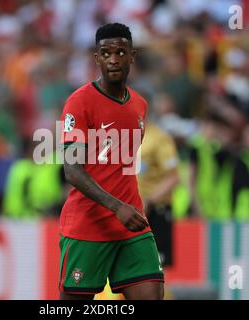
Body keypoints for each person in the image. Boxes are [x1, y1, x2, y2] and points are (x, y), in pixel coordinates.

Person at [58, 23, 163, 300]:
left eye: (120, 52)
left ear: (132, 55)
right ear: (96, 58)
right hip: (88, 225)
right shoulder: (79, 103)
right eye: (106, 53)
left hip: (132, 224)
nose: (113, 59)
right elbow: (72, 170)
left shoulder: (139, 105)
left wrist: (125, 209)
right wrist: (117, 207)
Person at [137, 121, 180, 267]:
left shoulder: (159, 138)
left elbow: (173, 177)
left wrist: (149, 201)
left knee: (158, 266)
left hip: (155, 212)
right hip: (131, 212)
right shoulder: (122, 136)